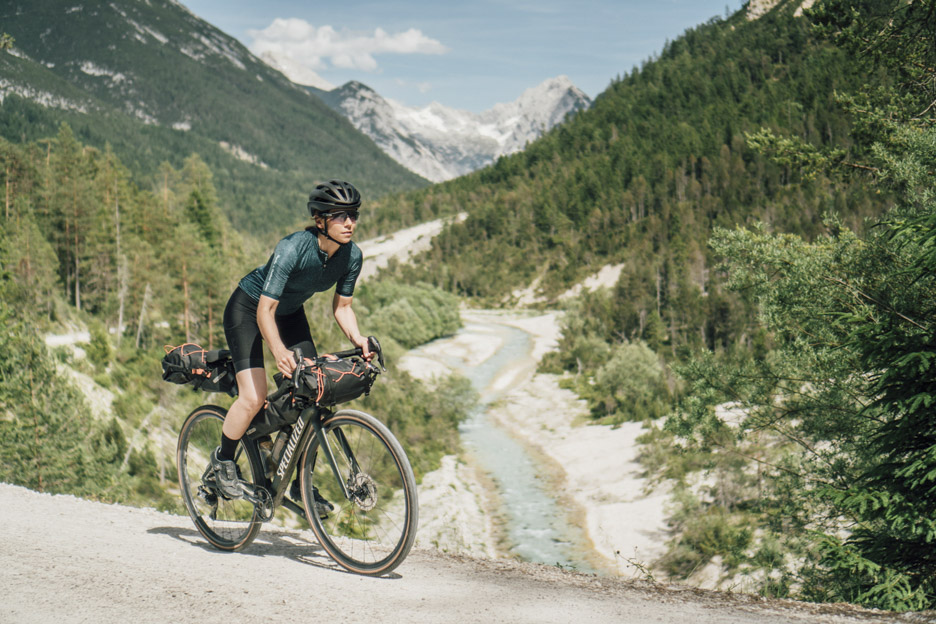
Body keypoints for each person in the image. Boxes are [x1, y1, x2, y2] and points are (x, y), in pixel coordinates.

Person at [209, 180, 372, 511]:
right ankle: (223, 463)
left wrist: (359, 339)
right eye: (340, 216)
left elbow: (342, 307)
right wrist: (279, 351)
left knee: (308, 390)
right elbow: (263, 310)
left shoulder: (352, 256)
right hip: (249, 309)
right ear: (319, 220)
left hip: (288, 313)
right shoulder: (293, 248)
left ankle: (297, 483)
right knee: (253, 396)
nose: (350, 223)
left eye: (353, 215)